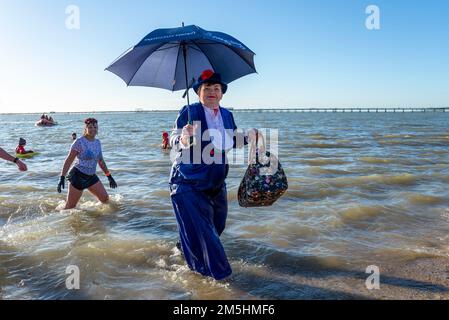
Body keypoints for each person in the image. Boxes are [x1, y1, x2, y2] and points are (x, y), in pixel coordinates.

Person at [169, 69, 261, 280]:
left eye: (216, 88)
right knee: (206, 235)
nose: (212, 91)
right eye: (206, 88)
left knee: (217, 226)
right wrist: (183, 138)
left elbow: (230, 141)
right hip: (187, 182)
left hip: (216, 183)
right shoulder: (189, 111)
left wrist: (248, 136)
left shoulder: (227, 115)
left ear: (222, 93)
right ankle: (220, 278)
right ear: (199, 92)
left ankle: (183, 248)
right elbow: (174, 138)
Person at [57, 118, 117, 209]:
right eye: (90, 127)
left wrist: (109, 176)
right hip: (77, 177)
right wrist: (62, 177)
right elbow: (69, 160)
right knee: (70, 207)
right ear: (85, 129)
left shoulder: (97, 142)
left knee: (105, 199)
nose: (93, 129)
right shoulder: (79, 142)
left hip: (91, 177)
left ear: (97, 128)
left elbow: (100, 161)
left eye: (95, 127)